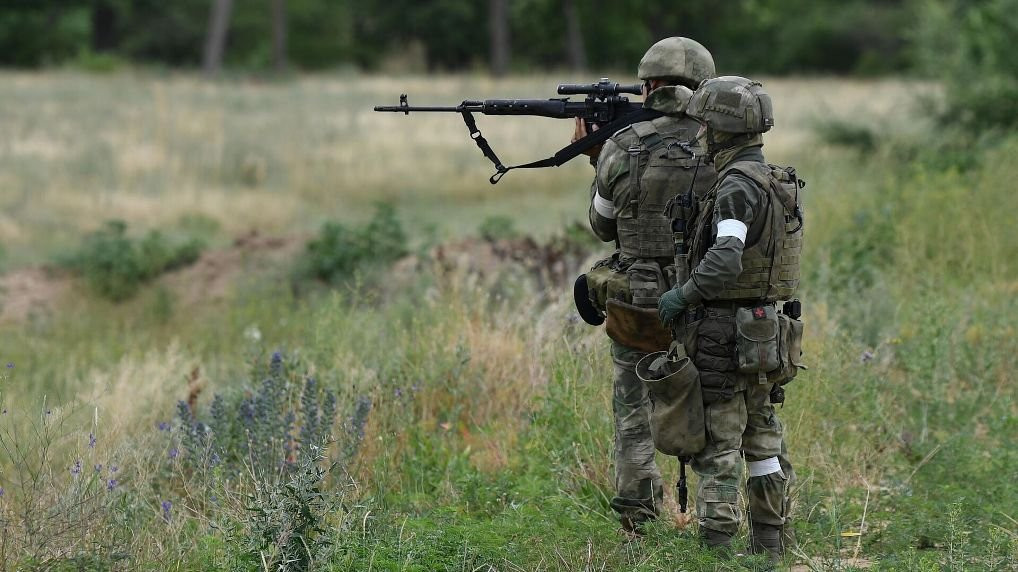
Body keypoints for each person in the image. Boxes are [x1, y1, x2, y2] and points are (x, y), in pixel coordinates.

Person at [657, 76, 805, 560]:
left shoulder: (736, 186)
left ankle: (716, 550)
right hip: (767, 329)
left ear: (723, 129)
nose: (700, 134)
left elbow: (725, 260)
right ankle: (769, 544)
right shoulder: (772, 178)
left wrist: (682, 296)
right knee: (762, 438)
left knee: (720, 439)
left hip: (725, 330)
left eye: (705, 125)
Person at [576, 36, 717, 535]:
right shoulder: (722, 144)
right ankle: (718, 519)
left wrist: (597, 159)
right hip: (706, 297)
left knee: (632, 412)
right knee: (715, 406)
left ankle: (637, 520)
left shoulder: (622, 145)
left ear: (648, 85)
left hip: (636, 300)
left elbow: (602, 226)